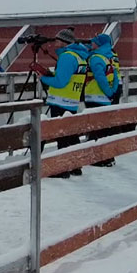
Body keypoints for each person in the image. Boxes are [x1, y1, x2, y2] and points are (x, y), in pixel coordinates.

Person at [40, 28, 89, 178]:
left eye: (57, 41)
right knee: (71, 135)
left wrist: (43, 78)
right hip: (71, 101)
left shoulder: (67, 57)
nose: (55, 44)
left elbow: (61, 82)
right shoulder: (79, 57)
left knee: (62, 135)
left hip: (60, 101)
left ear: (64, 42)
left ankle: (62, 169)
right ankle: (75, 166)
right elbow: (69, 78)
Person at [83, 33, 124, 167]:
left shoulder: (96, 58)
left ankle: (98, 158)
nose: (91, 43)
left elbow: (100, 78)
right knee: (106, 127)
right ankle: (107, 157)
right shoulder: (110, 57)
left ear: (99, 44)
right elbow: (116, 76)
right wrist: (112, 92)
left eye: (94, 42)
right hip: (106, 97)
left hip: (95, 96)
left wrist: (108, 92)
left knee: (96, 128)